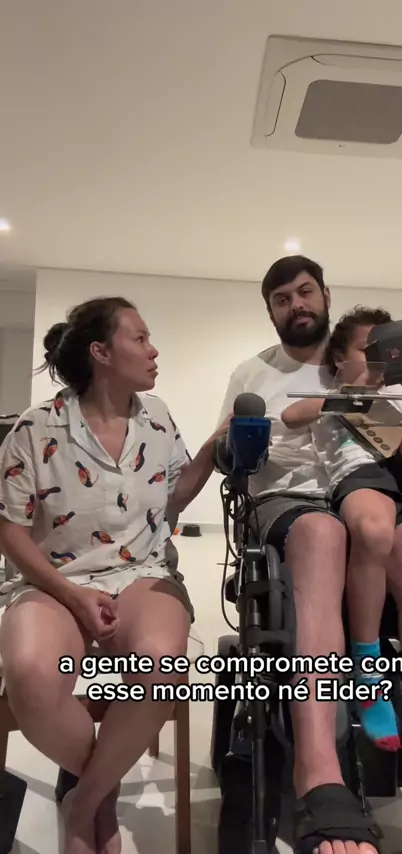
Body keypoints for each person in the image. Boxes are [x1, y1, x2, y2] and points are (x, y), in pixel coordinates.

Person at [217, 255, 402, 854]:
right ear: (271, 311)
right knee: (322, 534)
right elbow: (224, 443)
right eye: (282, 298)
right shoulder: (254, 372)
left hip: (373, 497)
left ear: (325, 295)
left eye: (305, 292)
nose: (296, 304)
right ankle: (318, 774)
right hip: (291, 503)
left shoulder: (375, 367)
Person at [0, 296, 229, 854]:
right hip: (54, 579)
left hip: (141, 572)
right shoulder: (36, 426)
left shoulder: (157, 417)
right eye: (141, 338)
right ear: (101, 352)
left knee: (162, 668)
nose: (153, 351)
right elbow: (10, 531)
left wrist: (212, 447)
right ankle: (101, 794)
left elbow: (173, 497)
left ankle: (82, 803)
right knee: (30, 676)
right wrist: (72, 595)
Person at [281, 305, 402, 753]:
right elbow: (292, 416)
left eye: (384, 351)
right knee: (373, 533)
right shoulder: (333, 396)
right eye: (366, 351)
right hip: (361, 477)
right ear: (340, 358)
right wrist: (351, 392)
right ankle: (367, 668)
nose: (378, 360)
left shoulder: (400, 402)